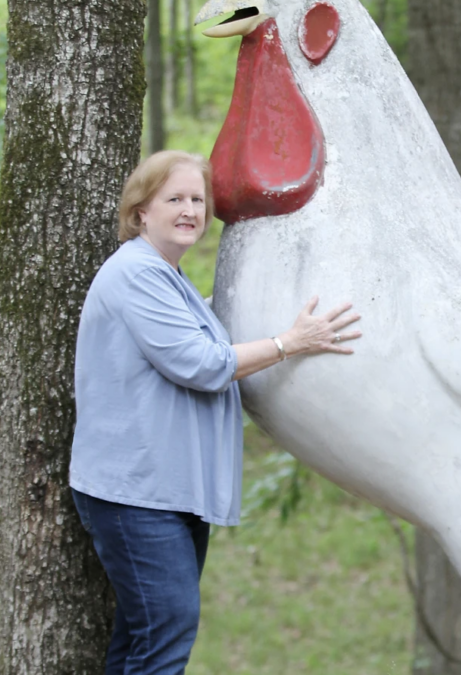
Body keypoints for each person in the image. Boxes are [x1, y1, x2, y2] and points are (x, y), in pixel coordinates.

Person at [68, 150, 361, 674]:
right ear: (140, 212)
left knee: (145, 637)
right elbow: (202, 364)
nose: (189, 210)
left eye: (197, 200)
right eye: (174, 199)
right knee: (166, 631)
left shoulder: (169, 278)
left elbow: (203, 338)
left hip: (166, 488)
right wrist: (289, 342)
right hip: (134, 491)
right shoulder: (137, 274)